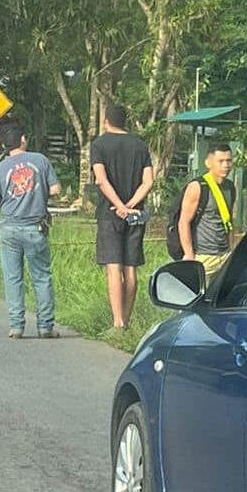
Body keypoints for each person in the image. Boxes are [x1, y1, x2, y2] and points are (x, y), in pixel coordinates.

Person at [0, 122, 62, 340]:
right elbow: (56, 189)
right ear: (22, 140)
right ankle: (45, 326)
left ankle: (16, 326)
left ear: (5, 145)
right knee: (42, 277)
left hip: (9, 229)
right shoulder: (40, 160)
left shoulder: (0, 168)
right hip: (35, 228)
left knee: (13, 278)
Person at [90, 104, 154, 333]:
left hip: (110, 214)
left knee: (113, 268)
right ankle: (126, 320)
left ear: (106, 121)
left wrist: (119, 206)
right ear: (125, 122)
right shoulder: (140, 145)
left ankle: (117, 323)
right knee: (130, 268)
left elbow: (101, 180)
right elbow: (148, 182)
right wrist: (130, 205)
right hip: (135, 214)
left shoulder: (99, 145)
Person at [177, 144, 236, 278]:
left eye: (229, 161)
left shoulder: (230, 187)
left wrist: (231, 249)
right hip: (203, 257)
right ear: (208, 163)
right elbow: (183, 222)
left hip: (224, 255)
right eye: (220, 161)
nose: (226, 165)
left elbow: (229, 220)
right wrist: (189, 255)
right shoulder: (197, 187)